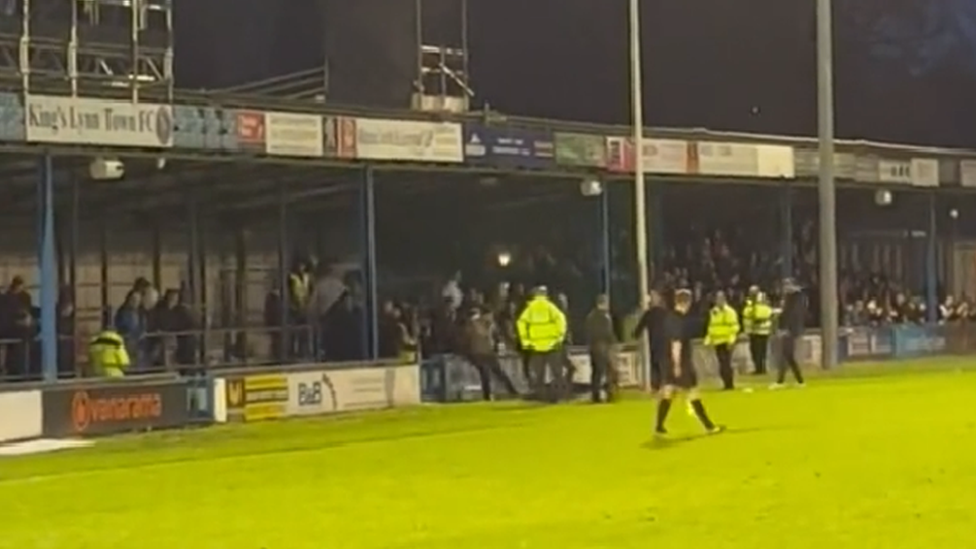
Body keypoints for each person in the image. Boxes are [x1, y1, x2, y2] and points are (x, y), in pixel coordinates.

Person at [654, 289, 724, 436]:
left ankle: (659, 427)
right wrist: (677, 365)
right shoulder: (678, 321)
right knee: (693, 393)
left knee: (668, 392)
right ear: (687, 302)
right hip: (679, 362)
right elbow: (676, 343)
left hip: (668, 361)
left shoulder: (669, 318)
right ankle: (709, 427)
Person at [516, 286, 567, 403]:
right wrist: (559, 338)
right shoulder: (550, 307)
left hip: (535, 346)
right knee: (556, 373)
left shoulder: (530, 308)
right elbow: (561, 320)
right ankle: (557, 397)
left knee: (539, 375)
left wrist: (525, 341)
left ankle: (542, 397)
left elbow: (521, 323)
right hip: (552, 345)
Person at [464, 307, 518, 400]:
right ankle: (492, 394)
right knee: (488, 374)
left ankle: (510, 391)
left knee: (495, 373)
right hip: (481, 352)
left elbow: (494, 336)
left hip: (485, 352)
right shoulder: (476, 325)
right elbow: (482, 334)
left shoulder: (486, 324)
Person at [773, 279, 806, 389]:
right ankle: (798, 381)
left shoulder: (797, 298)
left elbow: (794, 315)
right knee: (787, 355)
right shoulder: (789, 298)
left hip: (791, 330)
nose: (785, 287)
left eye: (787, 285)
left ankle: (782, 381)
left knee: (786, 354)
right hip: (788, 329)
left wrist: (787, 329)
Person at [585, 294, 618, 403]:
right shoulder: (605, 316)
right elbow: (608, 332)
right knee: (609, 370)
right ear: (603, 303)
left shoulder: (590, 316)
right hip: (603, 346)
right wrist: (614, 342)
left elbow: (588, 333)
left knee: (596, 372)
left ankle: (596, 396)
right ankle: (610, 395)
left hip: (593, 347)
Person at [632, 289, 668, 392]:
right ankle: (657, 385)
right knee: (656, 364)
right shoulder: (652, 313)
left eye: (654, 297)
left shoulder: (661, 313)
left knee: (660, 364)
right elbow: (641, 326)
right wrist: (635, 334)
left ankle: (661, 385)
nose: (652, 299)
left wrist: (635, 334)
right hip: (656, 343)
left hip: (661, 342)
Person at [705, 290, 740, 390]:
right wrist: (708, 339)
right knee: (722, 363)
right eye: (717, 299)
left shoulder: (730, 312)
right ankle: (726, 383)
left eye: (720, 299)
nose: (718, 301)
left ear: (724, 299)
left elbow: (734, 327)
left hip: (727, 341)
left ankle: (729, 384)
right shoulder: (713, 312)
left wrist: (731, 340)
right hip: (717, 341)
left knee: (726, 363)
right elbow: (711, 326)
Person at [743, 291, 773, 375]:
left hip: (760, 331)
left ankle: (760, 368)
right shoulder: (750, 306)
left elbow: (762, 316)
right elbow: (746, 314)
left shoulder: (762, 306)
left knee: (759, 350)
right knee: (756, 350)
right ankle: (759, 367)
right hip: (754, 331)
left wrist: (755, 318)